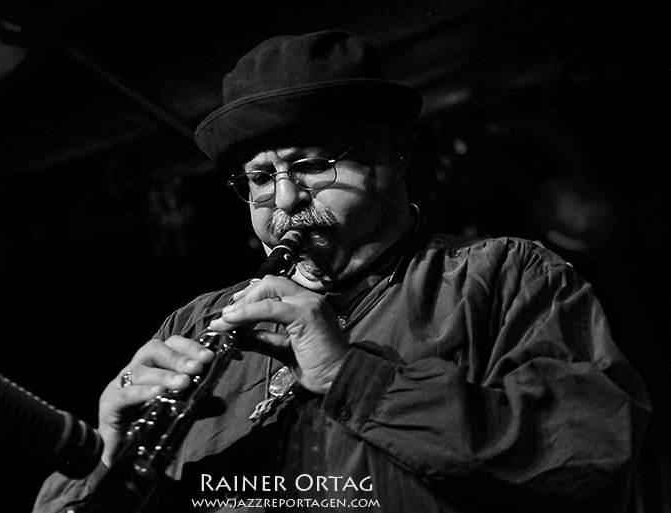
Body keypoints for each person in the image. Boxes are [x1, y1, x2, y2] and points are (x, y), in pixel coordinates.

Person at [33, 30, 651, 513]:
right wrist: (106, 460)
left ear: (393, 155)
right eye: (258, 179)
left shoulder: (506, 277)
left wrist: (347, 375)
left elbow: (591, 457)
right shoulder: (196, 322)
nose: (284, 200)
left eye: (310, 165)